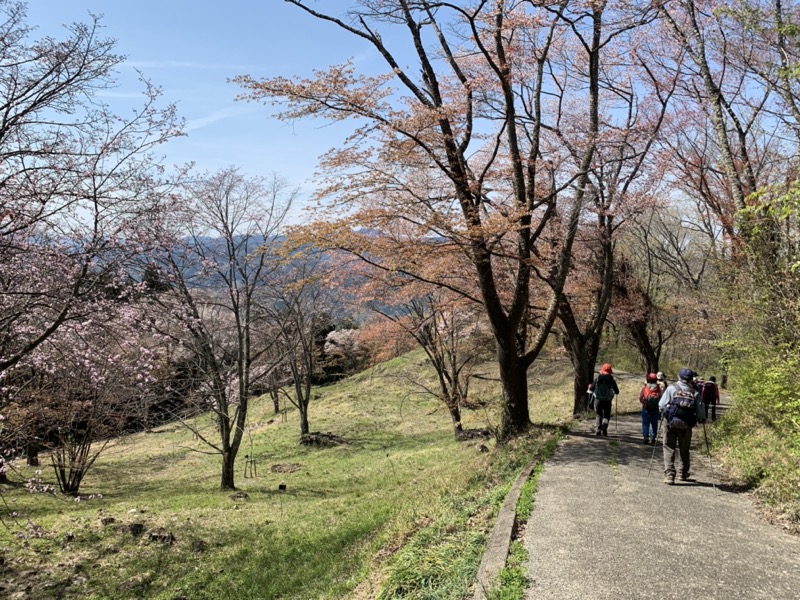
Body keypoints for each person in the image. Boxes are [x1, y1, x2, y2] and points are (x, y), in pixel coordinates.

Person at [659, 367, 706, 484]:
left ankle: (669, 475)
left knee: (669, 447)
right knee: (684, 449)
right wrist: (702, 420)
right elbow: (701, 413)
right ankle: (683, 473)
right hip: (686, 425)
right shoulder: (695, 393)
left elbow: (661, 405)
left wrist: (665, 413)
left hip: (670, 423)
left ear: (679, 377)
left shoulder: (671, 389)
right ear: (691, 379)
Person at [589, 363, 619, 437]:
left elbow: (591, 388)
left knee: (599, 415)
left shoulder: (598, 378)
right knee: (606, 415)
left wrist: (590, 386)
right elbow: (617, 392)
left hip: (598, 400)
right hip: (608, 401)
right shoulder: (611, 380)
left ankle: (598, 430)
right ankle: (604, 430)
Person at [639, 373, 662, 445]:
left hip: (646, 408)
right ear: (656, 380)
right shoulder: (658, 388)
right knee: (654, 424)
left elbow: (640, 397)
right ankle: (653, 438)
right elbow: (661, 398)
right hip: (655, 409)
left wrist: (643, 403)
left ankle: (646, 436)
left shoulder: (645, 388)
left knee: (645, 423)